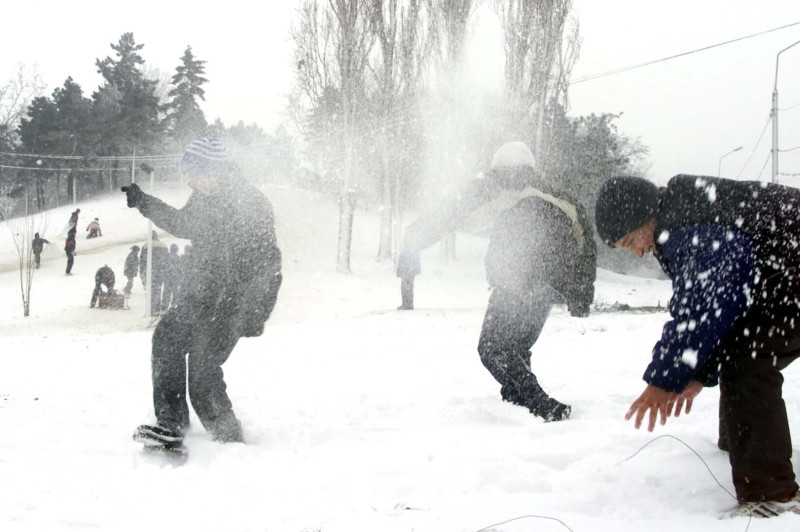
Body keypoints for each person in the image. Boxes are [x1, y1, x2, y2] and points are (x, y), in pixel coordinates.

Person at [594, 174, 800, 518]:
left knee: (746, 360)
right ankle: (743, 451)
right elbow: (724, 311)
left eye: (631, 241)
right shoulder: (684, 212)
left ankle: (771, 496)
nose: (639, 252)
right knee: (740, 346)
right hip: (783, 283)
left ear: (644, 215)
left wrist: (666, 377)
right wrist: (699, 372)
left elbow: (706, 301)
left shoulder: (685, 223)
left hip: (789, 280)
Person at [396, 141, 596, 421]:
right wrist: (580, 293)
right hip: (550, 286)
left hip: (516, 278)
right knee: (517, 347)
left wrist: (414, 236)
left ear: (499, 168)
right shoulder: (562, 198)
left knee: (492, 347)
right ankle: (516, 398)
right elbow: (585, 244)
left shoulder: (501, 186)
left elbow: (453, 211)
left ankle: (540, 403)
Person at [123, 138, 282, 448]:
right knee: (166, 339)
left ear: (212, 171)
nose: (188, 180)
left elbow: (268, 263)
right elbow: (182, 224)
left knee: (202, 368)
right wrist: (144, 201)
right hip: (200, 295)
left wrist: (254, 312)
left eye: (192, 173)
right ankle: (171, 423)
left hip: (233, 303)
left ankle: (228, 436)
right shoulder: (202, 198)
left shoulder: (251, 204)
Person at [139, 231, 168, 314]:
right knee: (158, 290)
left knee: (149, 290)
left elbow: (142, 261)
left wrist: (141, 272)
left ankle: (150, 309)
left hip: (149, 272)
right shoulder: (163, 245)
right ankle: (156, 308)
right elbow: (166, 261)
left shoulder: (145, 246)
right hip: (160, 272)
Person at [163, 243, 182, 310]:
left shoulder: (167, 257)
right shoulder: (178, 258)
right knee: (175, 292)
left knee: (167, 293)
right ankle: (173, 306)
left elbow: (164, 267)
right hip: (176, 278)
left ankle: (164, 307)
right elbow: (180, 268)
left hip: (168, 278)